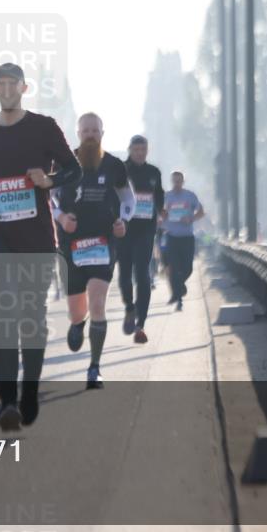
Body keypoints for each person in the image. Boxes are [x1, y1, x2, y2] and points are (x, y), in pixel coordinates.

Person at [0, 62, 81, 431]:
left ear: (24, 88)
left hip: (38, 237)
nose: (7, 88)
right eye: (1, 83)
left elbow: (73, 170)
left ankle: (28, 392)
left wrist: (49, 179)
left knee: (31, 317)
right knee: (2, 317)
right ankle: (7, 403)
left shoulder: (43, 127)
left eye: (14, 83)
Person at [54, 113, 134, 389]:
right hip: (71, 242)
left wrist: (123, 220)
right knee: (78, 310)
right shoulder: (63, 163)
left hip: (103, 240)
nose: (90, 134)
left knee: (98, 301)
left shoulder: (114, 165)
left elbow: (128, 198)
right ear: (78, 133)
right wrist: (61, 218)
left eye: (94, 130)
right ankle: (78, 324)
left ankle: (94, 368)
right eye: (85, 130)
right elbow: (48, 198)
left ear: (102, 132)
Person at [117, 135, 165, 343]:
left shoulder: (154, 172)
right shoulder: (121, 170)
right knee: (125, 272)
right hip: (125, 229)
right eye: (136, 150)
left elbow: (159, 196)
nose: (139, 153)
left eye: (143, 150)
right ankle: (129, 307)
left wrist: (161, 212)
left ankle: (141, 325)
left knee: (143, 274)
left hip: (146, 229)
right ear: (130, 150)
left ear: (147, 150)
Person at [161, 170, 205, 311]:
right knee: (174, 268)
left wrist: (191, 218)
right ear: (172, 181)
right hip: (172, 236)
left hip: (187, 237)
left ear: (183, 181)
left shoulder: (190, 196)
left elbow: (201, 212)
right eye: (175, 181)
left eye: (179, 181)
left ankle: (179, 288)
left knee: (187, 268)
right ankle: (179, 300)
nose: (177, 183)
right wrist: (164, 214)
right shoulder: (167, 196)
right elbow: (159, 212)